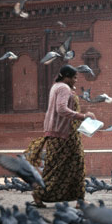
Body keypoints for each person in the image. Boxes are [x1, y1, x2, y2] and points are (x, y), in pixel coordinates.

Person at [25, 65, 95, 208]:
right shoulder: (63, 88)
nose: (76, 81)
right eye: (74, 77)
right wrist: (83, 116)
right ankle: (76, 200)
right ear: (66, 76)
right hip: (65, 134)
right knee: (75, 165)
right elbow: (61, 109)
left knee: (58, 166)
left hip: (57, 133)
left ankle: (42, 194)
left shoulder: (55, 86)